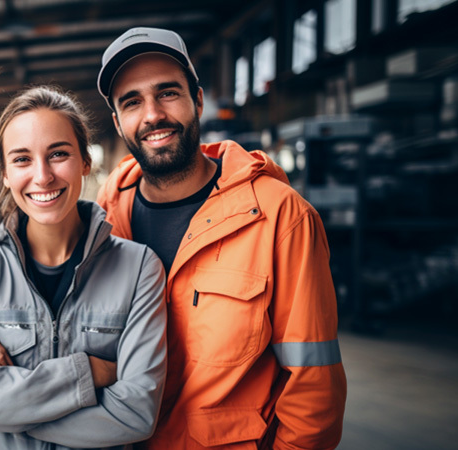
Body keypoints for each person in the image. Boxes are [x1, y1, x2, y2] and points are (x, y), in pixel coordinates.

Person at [95, 27, 348, 449]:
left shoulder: (279, 215)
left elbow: (313, 386)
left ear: (197, 101)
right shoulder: (105, 215)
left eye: (168, 93)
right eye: (132, 101)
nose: (153, 114)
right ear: (119, 122)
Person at [0, 86, 168, 449]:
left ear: (85, 161)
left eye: (58, 154)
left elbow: (136, 414)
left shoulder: (139, 268)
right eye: (22, 159)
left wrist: (14, 411)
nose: (42, 176)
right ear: (4, 174)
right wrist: (91, 371)